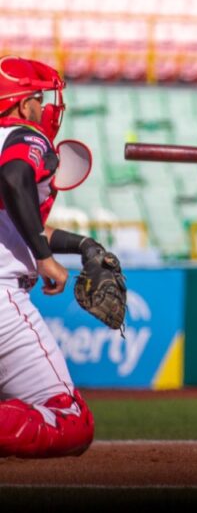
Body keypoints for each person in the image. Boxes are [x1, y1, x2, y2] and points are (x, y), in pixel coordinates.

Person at [0, 56, 115, 457]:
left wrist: (82, 244)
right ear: (19, 104)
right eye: (37, 98)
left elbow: (12, 220)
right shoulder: (25, 136)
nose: (44, 106)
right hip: (1, 298)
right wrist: (44, 256)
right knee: (70, 421)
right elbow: (13, 178)